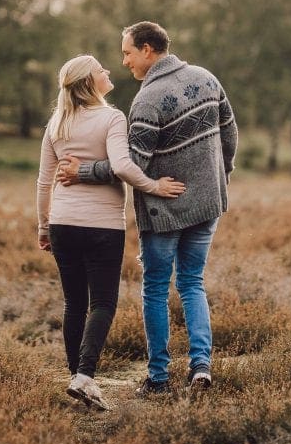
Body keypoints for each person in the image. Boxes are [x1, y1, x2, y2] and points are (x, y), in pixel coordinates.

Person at [57, 21, 237, 396]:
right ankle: (201, 367)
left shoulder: (147, 100)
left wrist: (83, 170)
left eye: (127, 53)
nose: (124, 62)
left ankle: (158, 379)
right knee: (192, 283)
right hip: (207, 204)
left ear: (148, 50)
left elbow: (131, 164)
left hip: (164, 211)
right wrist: (220, 175)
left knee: (155, 288)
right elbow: (229, 133)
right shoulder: (207, 78)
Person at [36, 54, 186, 411]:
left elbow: (44, 182)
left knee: (74, 303)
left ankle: (78, 378)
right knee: (102, 303)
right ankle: (85, 377)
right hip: (102, 225)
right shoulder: (112, 117)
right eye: (101, 69)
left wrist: (44, 226)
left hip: (62, 224)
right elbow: (122, 165)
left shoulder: (56, 124)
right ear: (91, 81)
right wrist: (153, 185)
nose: (108, 71)